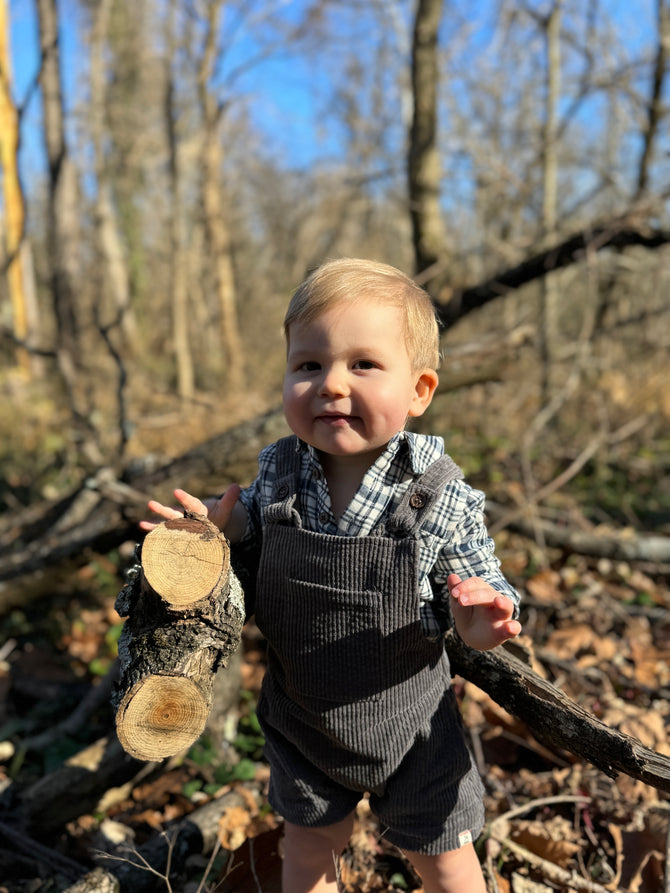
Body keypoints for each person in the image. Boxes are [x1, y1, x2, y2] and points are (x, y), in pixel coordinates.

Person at [142, 258, 521, 893]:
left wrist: (483, 618)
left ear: (420, 390)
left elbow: (480, 591)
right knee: (307, 847)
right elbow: (251, 552)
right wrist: (220, 532)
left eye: (363, 365)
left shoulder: (438, 495)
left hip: (411, 727)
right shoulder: (279, 475)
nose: (331, 385)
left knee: (445, 856)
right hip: (304, 721)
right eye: (309, 365)